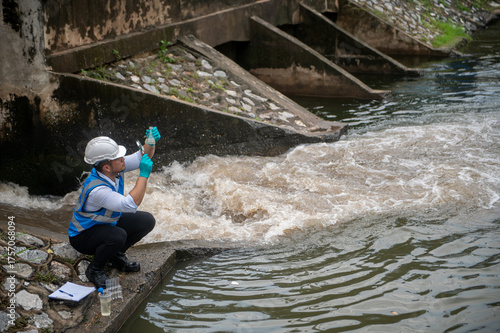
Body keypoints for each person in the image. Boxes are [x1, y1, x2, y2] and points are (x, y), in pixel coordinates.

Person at [68, 127, 161, 289]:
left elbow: (142, 156)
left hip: (105, 225)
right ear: (107, 167)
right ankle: (95, 270)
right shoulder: (98, 190)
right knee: (118, 235)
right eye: (119, 157)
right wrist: (144, 175)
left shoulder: (114, 169)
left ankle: (115, 255)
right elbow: (130, 205)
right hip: (82, 236)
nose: (123, 159)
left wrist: (150, 143)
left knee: (146, 221)